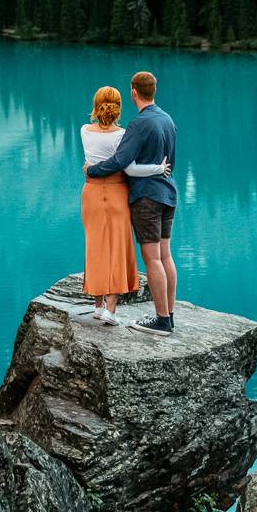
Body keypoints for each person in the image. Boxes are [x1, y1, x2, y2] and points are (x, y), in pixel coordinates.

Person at [84, 70, 177, 337]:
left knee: (152, 259)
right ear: (154, 91)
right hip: (168, 194)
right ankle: (168, 314)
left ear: (134, 92)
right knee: (166, 255)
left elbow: (120, 162)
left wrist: (92, 171)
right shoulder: (167, 120)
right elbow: (170, 162)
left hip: (147, 198)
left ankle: (161, 320)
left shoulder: (139, 124)